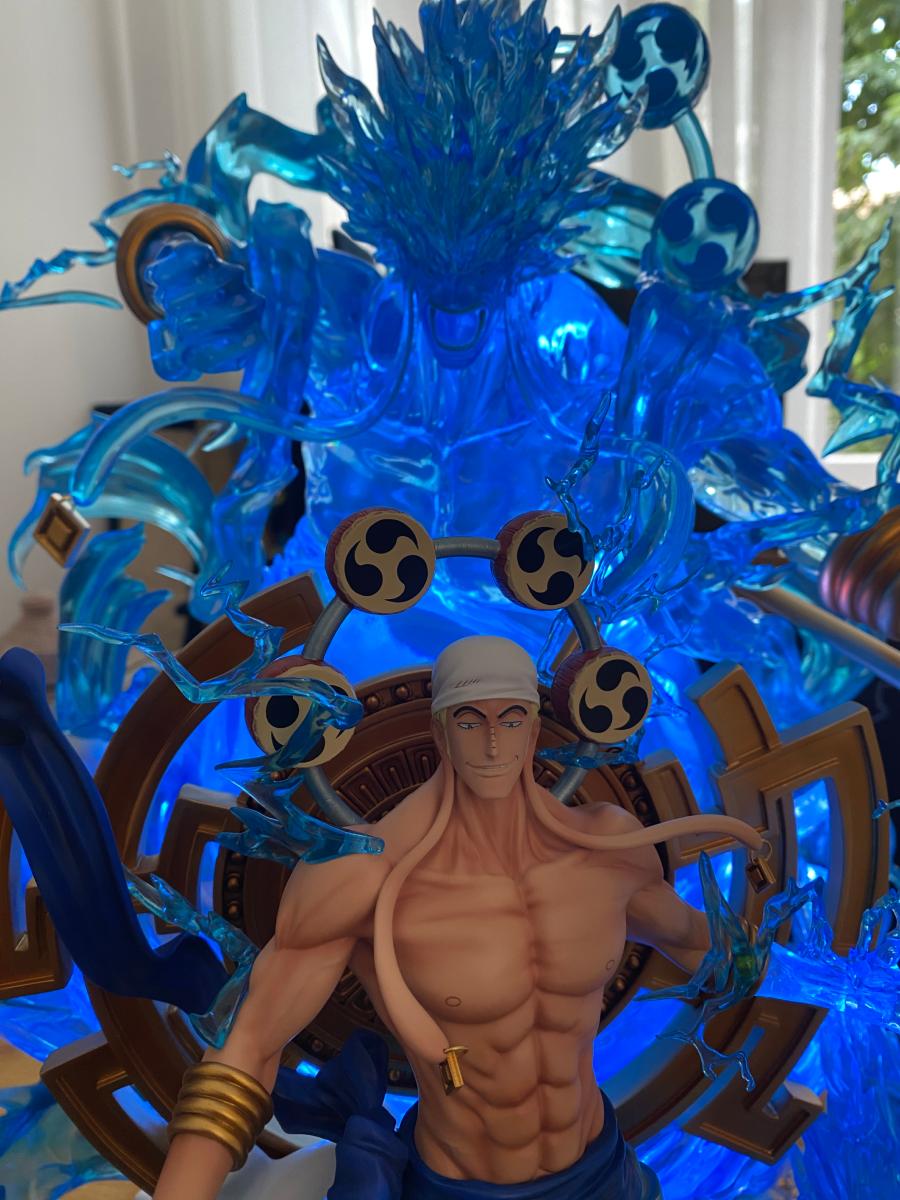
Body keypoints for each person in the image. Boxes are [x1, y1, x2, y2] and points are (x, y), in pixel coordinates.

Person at [154, 636, 765, 1200]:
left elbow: (707, 951)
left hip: (601, 1170)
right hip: (460, 1185)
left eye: (511, 719)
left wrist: (776, 944)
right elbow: (250, 1047)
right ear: (440, 732)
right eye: (471, 722)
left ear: (535, 729)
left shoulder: (607, 849)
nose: (493, 744)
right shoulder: (362, 877)